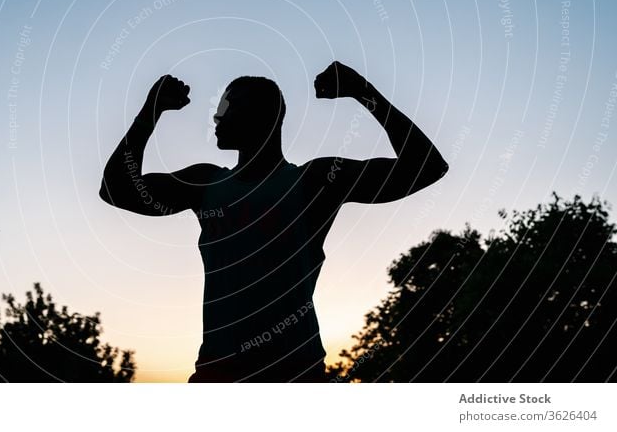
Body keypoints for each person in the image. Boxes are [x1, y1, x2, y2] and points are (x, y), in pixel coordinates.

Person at [100, 61, 448, 382]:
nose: (216, 117)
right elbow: (115, 189)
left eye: (227, 107)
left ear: (258, 115)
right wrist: (151, 110)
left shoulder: (315, 181)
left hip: (294, 375)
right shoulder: (205, 184)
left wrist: (362, 90)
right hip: (221, 376)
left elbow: (427, 166)